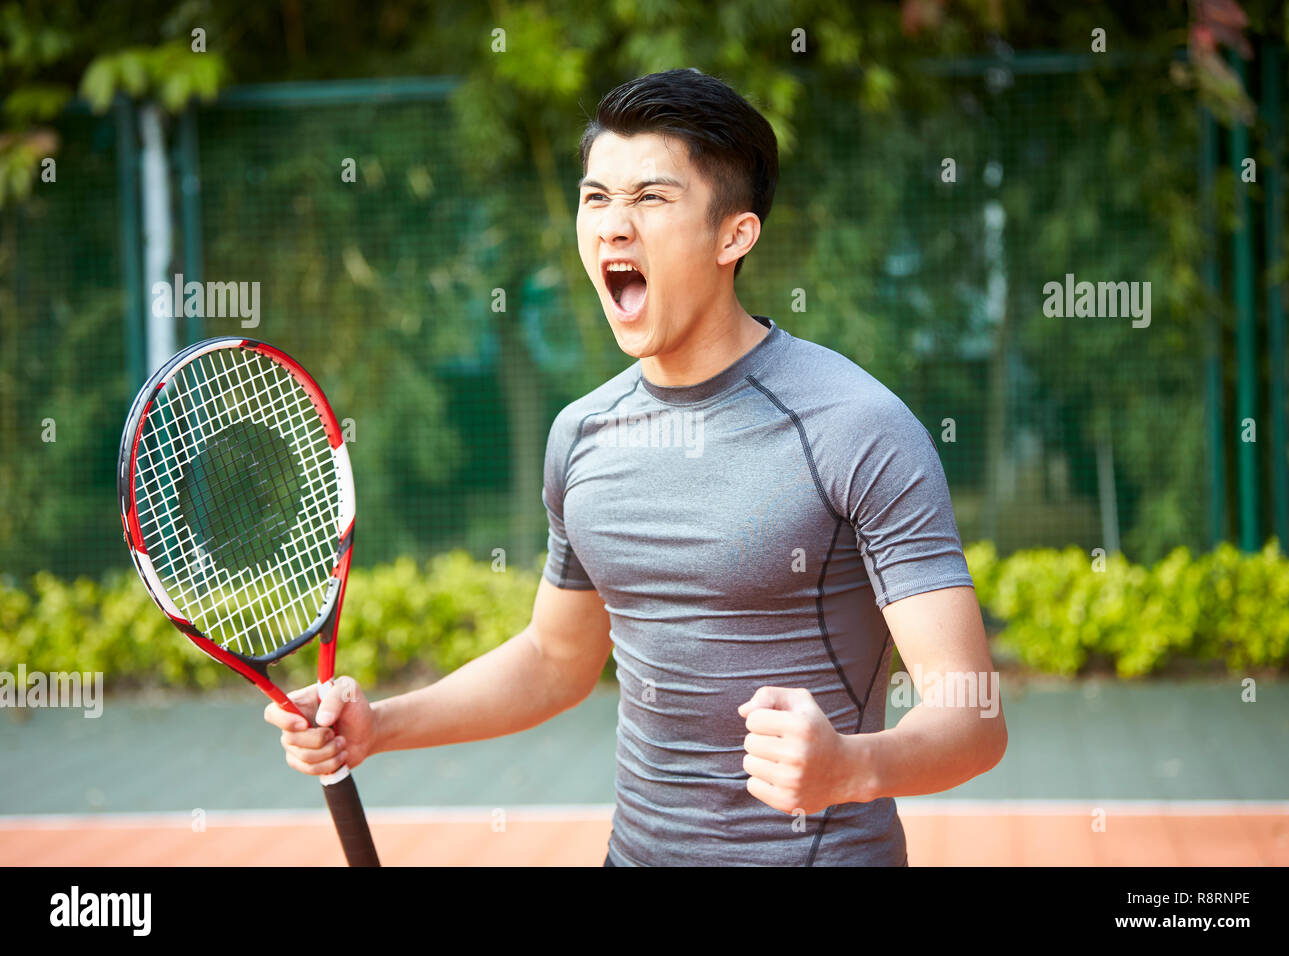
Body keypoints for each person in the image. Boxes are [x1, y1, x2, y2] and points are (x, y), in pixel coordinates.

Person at [266, 68, 1007, 866]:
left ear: (735, 236)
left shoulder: (856, 427)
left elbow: (974, 719)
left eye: (651, 198)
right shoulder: (581, 434)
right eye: (596, 199)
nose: (614, 226)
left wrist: (851, 767)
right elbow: (556, 661)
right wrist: (381, 724)